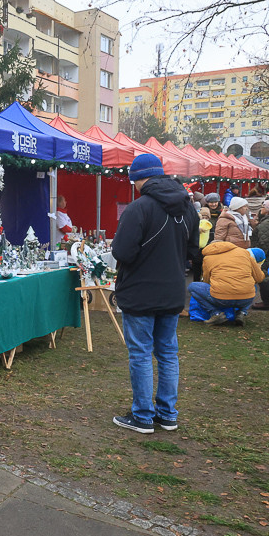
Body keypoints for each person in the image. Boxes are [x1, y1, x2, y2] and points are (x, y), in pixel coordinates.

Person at [111, 154, 199, 434]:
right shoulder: (188, 207)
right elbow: (193, 251)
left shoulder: (138, 208)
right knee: (168, 353)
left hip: (140, 292)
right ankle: (167, 414)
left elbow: (122, 252)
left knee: (140, 353)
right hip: (172, 290)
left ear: (138, 179)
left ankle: (143, 416)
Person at [190, 241, 264, 325]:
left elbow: (207, 281)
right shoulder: (244, 253)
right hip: (246, 299)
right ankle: (242, 312)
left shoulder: (208, 258)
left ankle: (216, 313)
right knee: (252, 287)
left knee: (192, 286)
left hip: (221, 299)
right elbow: (259, 278)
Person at [251, 199, 269, 310]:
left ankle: (267, 302)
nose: (261, 209)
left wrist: (259, 257)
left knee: (263, 277)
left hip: (268, 253)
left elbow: (264, 242)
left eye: (263, 207)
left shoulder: (267, 223)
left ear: (268, 210)